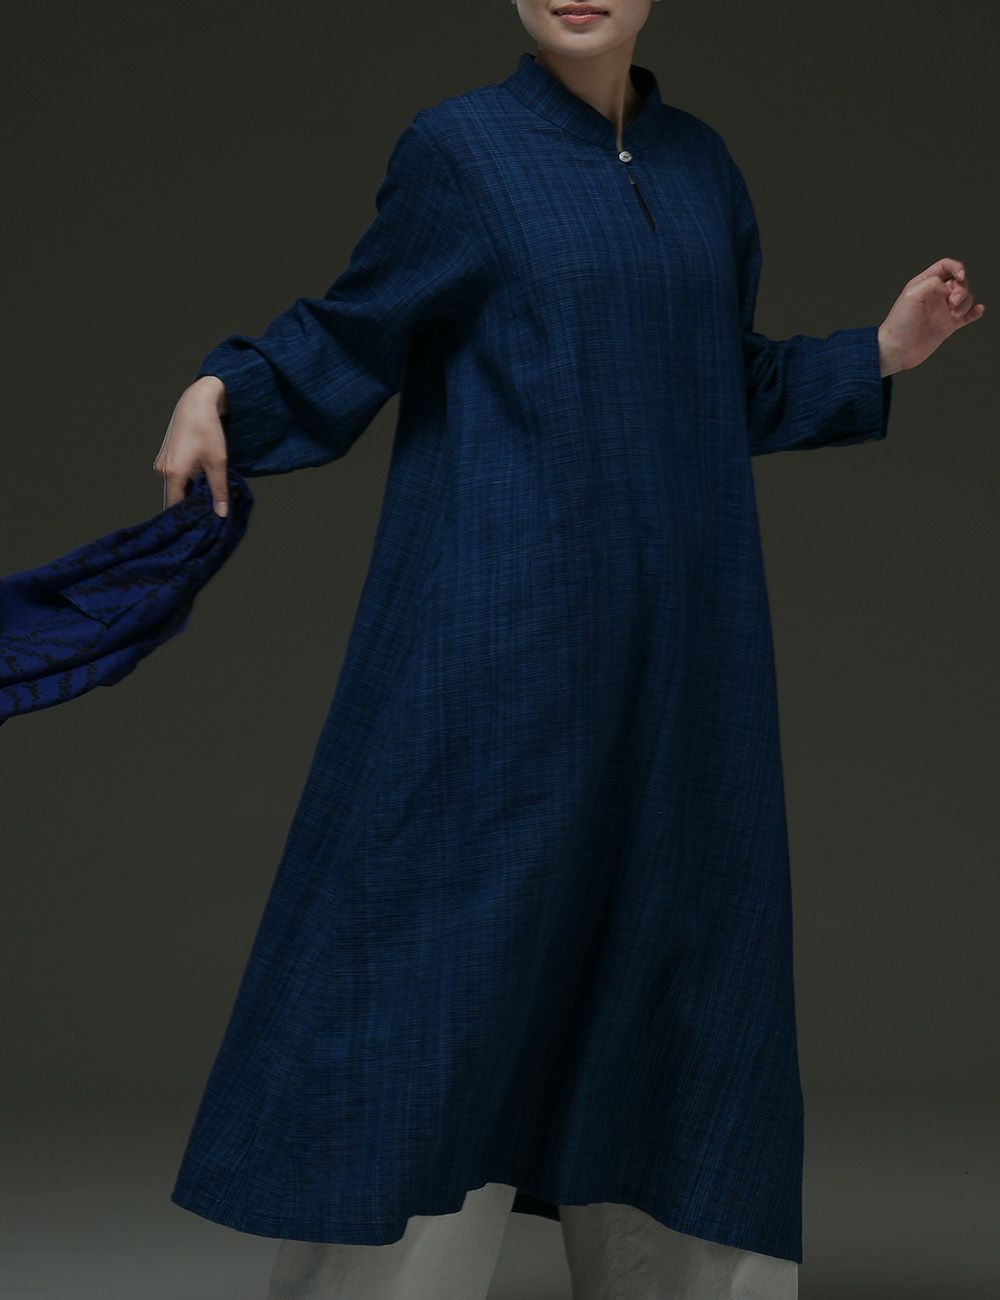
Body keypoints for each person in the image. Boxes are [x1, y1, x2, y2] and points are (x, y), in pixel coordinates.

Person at [161, 3, 983, 1297]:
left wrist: (883, 352)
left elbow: (723, 382)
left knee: (679, 968)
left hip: (686, 661)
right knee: (451, 978)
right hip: (503, 646)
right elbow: (354, 331)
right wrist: (224, 392)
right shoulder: (461, 151)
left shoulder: (703, 167)